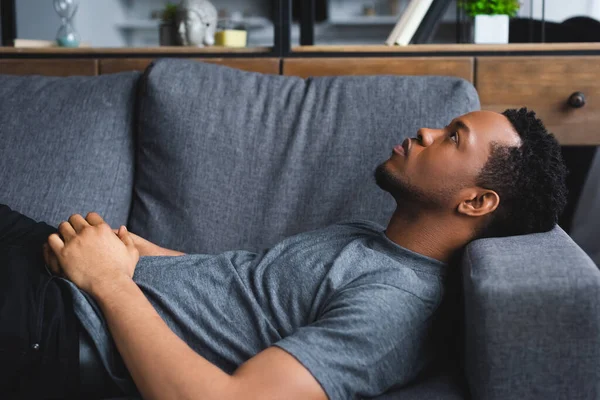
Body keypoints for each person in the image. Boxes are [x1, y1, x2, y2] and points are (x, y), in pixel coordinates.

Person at [0, 108, 567, 400]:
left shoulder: (394, 307)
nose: (425, 130)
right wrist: (136, 253)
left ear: (476, 201)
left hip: (59, 327)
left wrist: (109, 282)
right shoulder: (369, 238)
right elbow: (243, 289)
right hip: (68, 273)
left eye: (453, 137)